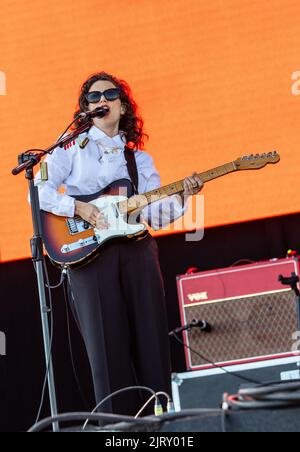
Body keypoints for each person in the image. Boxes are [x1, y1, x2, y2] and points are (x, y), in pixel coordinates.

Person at [35, 71, 203, 416]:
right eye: (93, 98)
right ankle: (117, 426)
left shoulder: (138, 159)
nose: (102, 102)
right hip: (88, 256)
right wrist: (78, 206)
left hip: (136, 250)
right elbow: (39, 190)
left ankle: (160, 417)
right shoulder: (70, 150)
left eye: (110, 95)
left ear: (123, 105)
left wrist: (183, 197)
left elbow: (154, 215)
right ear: (85, 109)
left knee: (150, 334)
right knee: (105, 346)